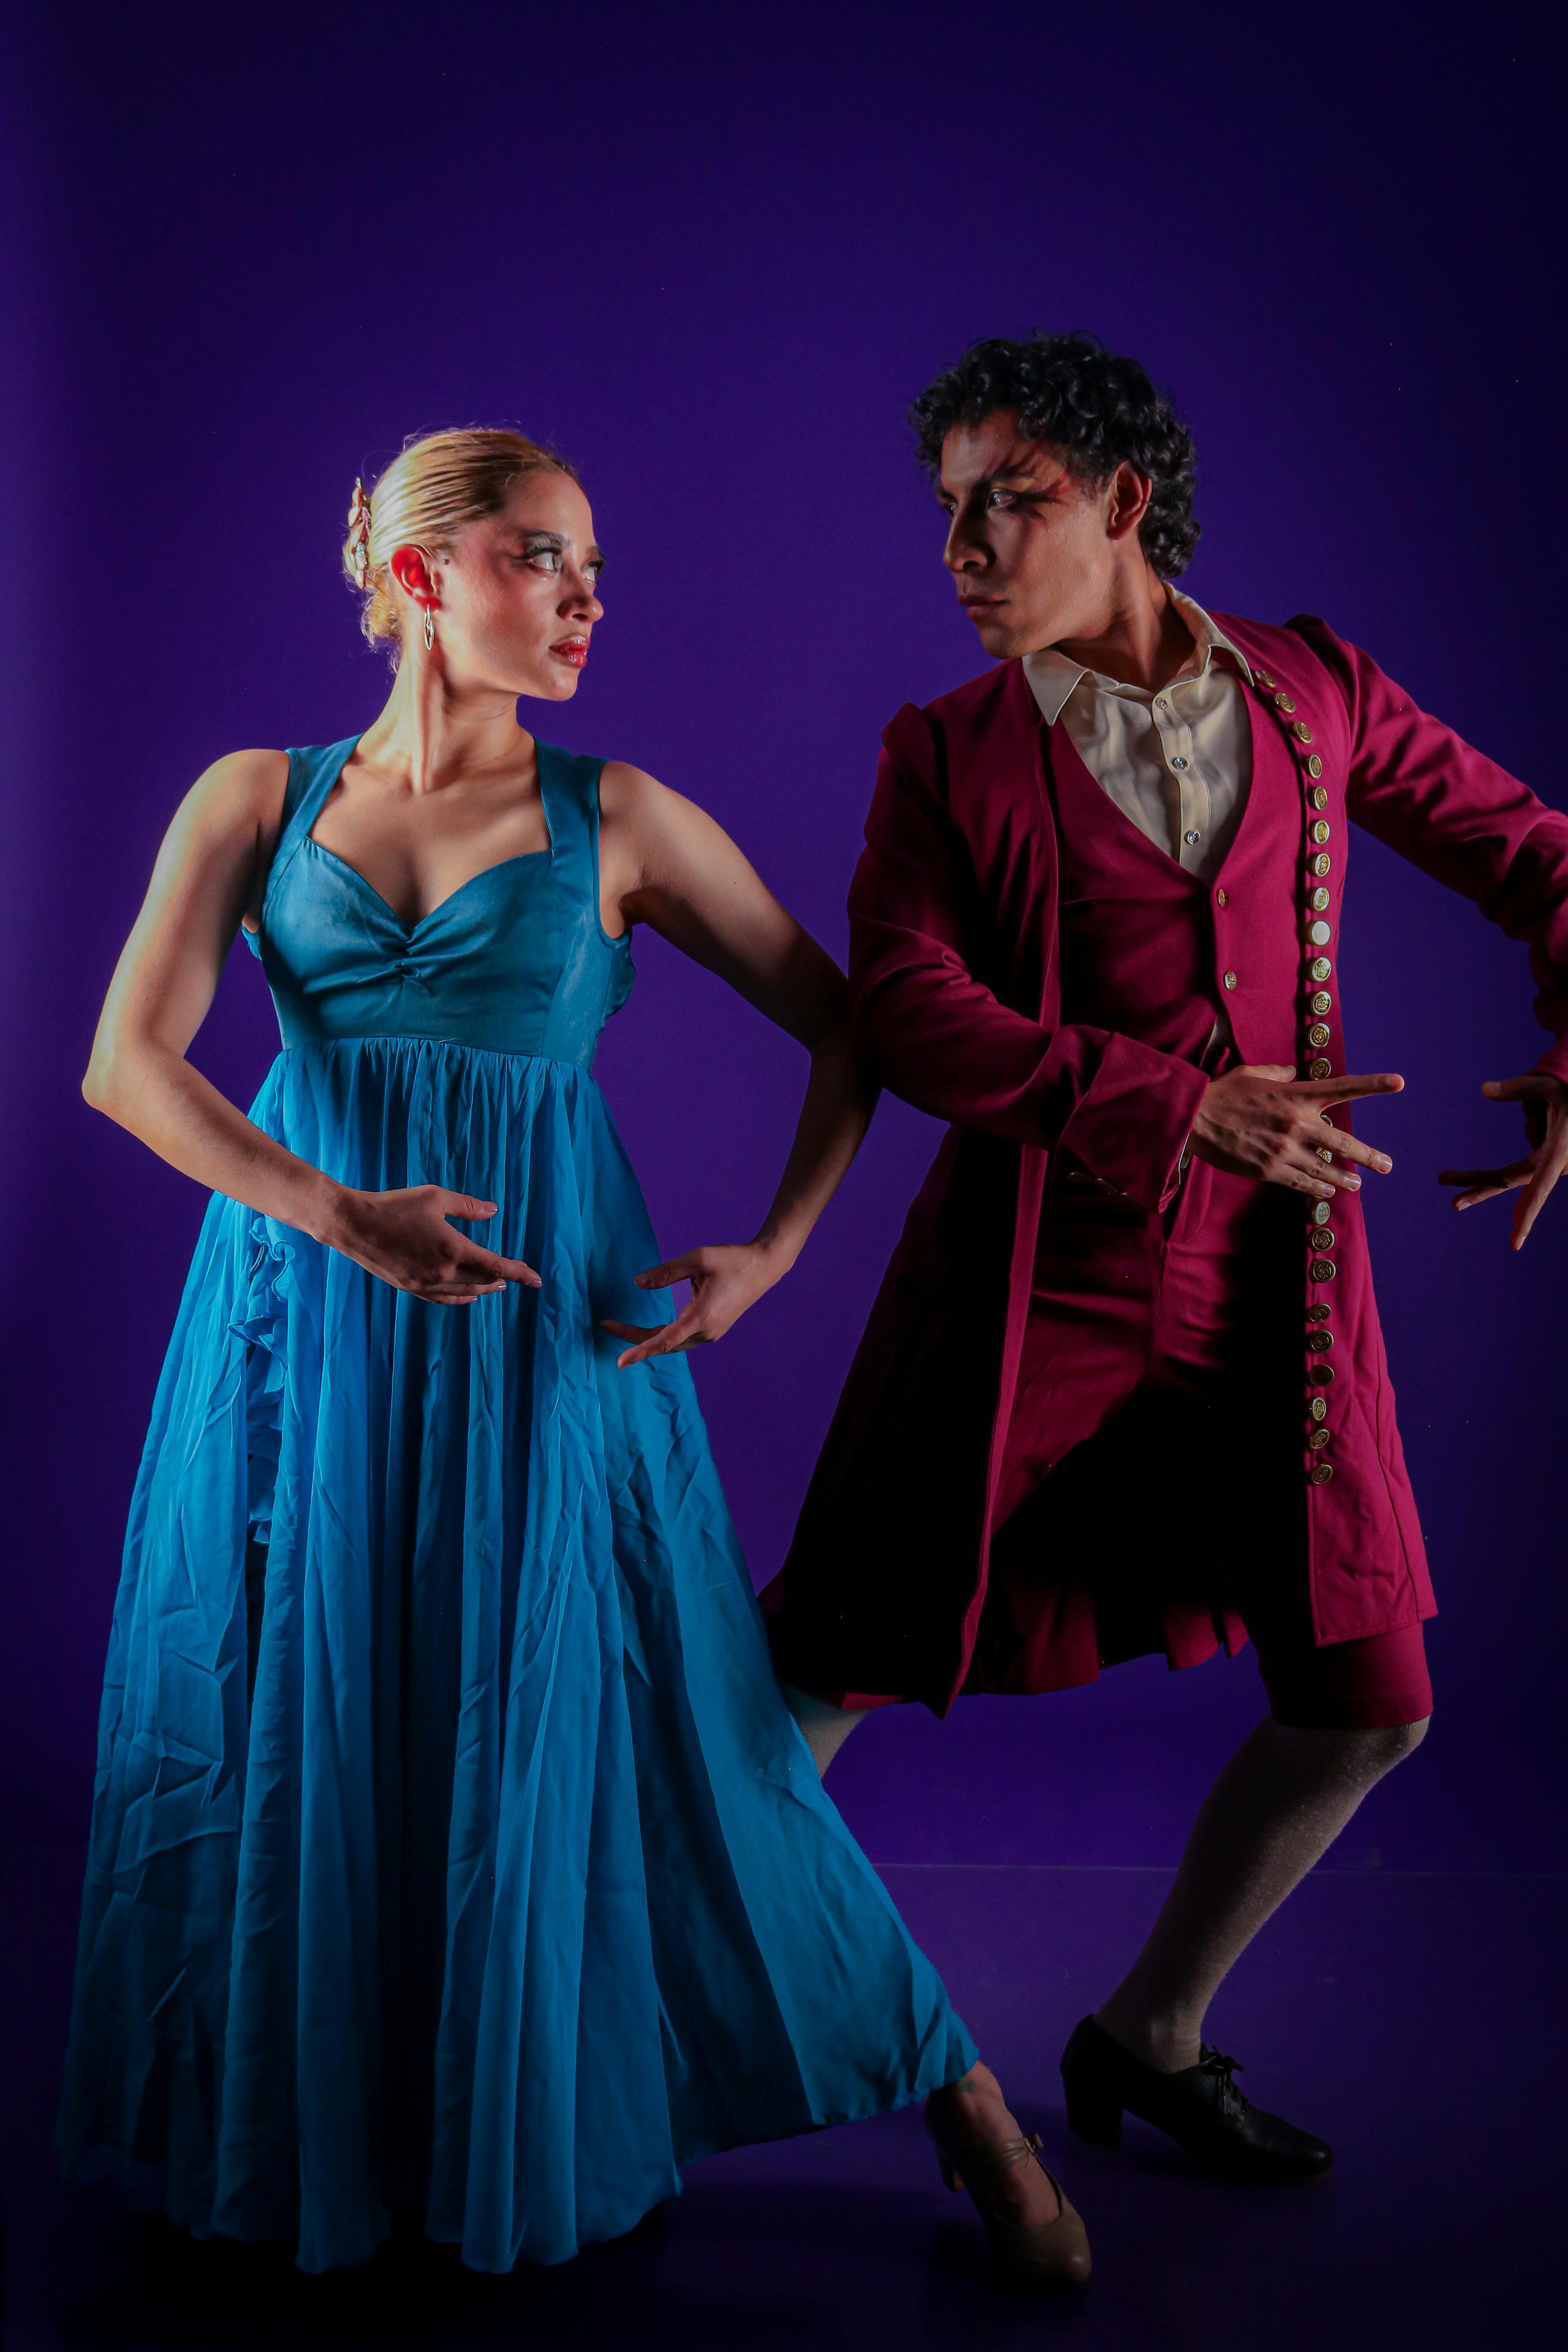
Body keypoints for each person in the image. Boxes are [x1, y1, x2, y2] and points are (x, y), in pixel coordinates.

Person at [57, 428, 1090, 2290]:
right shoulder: (254, 799)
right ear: (418, 576)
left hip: (550, 1341)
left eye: (594, 564)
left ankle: (963, 2100)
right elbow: (127, 1065)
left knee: (671, 1733)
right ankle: (364, 2138)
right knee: (310, 1718)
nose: (590, 599)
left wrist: (769, 1255)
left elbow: (850, 1029)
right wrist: (336, 1211)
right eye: (545, 558)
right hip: (301, 1331)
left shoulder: (616, 818)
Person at [763, 334, 1568, 2180]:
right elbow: (904, 1004)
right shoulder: (947, 751)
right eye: (948, 510)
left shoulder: (1314, 691)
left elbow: (1538, 857)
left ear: (1124, 505)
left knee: (1372, 1704)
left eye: (1010, 501)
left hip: (1273, 1301)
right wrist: (1172, 1102)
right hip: (1023, 1284)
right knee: (815, 1677)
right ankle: (623, 2017)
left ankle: (1148, 2035)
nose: (963, 544)